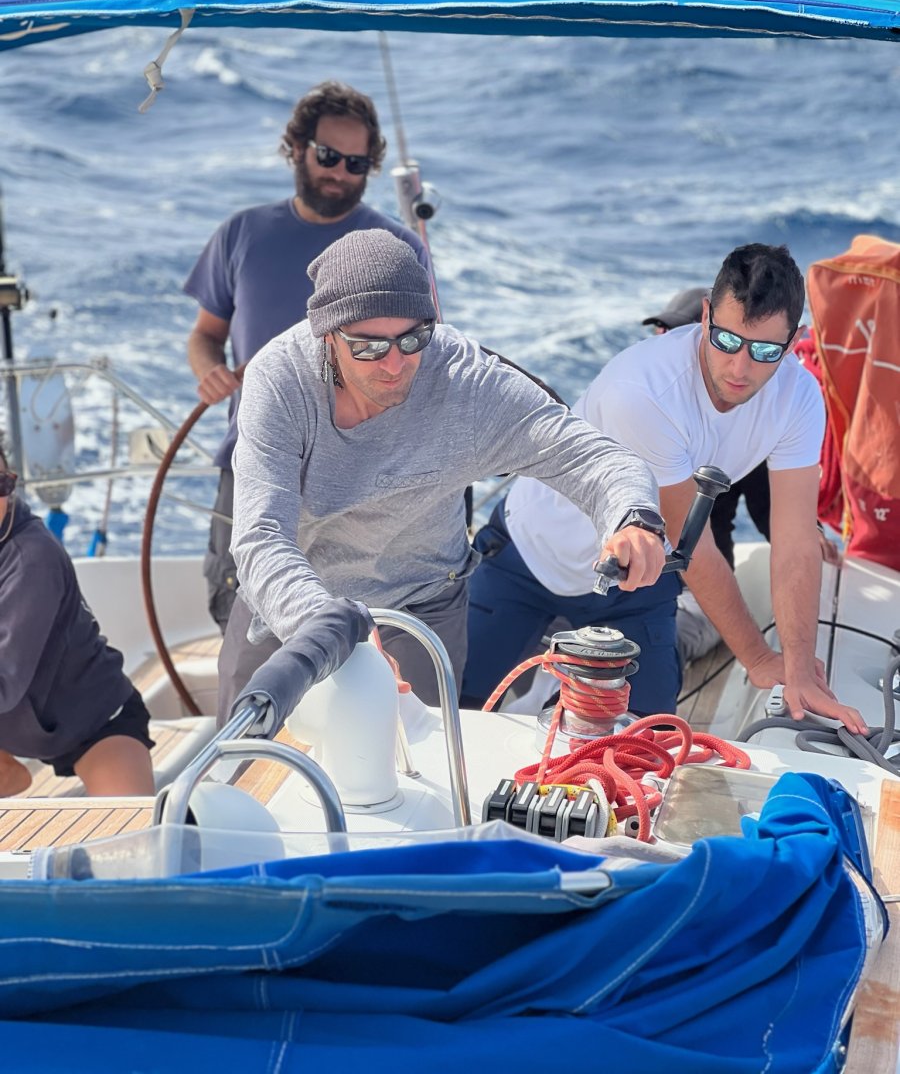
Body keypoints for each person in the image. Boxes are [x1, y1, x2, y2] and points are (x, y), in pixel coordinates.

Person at [216, 228, 666, 721]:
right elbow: (261, 537)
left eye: (412, 339)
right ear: (327, 336)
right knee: (241, 755)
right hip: (292, 603)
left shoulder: (466, 382)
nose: (394, 364)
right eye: (369, 347)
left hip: (420, 608)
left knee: (412, 763)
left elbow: (590, 457)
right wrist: (329, 629)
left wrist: (633, 516)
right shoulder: (280, 381)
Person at [461, 244, 866, 732]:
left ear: (794, 340)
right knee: (456, 713)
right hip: (529, 558)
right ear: (706, 316)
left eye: (764, 351)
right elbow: (691, 542)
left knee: (649, 740)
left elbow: (796, 540)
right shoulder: (644, 390)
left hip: (637, 579)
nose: (740, 368)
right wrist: (759, 658)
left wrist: (799, 671)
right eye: (727, 340)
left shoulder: (799, 398)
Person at [184, 80, 431, 633]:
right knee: (240, 608)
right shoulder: (241, 234)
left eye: (356, 164)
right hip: (254, 453)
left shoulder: (399, 247)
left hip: (361, 469)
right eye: (328, 156)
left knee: (360, 619)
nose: (340, 173)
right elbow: (205, 335)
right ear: (297, 148)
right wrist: (210, 372)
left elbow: (419, 352)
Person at [0, 438, 156, 797]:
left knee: (130, 828)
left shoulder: (33, 559)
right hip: (15, 727)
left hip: (94, 720)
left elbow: (5, 683)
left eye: (0, 484)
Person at [642, 285, 771, 665]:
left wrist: (810, 533)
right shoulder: (636, 407)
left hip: (697, 594)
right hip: (630, 582)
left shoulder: (743, 431)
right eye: (661, 331)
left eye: (676, 333)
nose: (665, 341)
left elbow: (772, 514)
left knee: (649, 649)